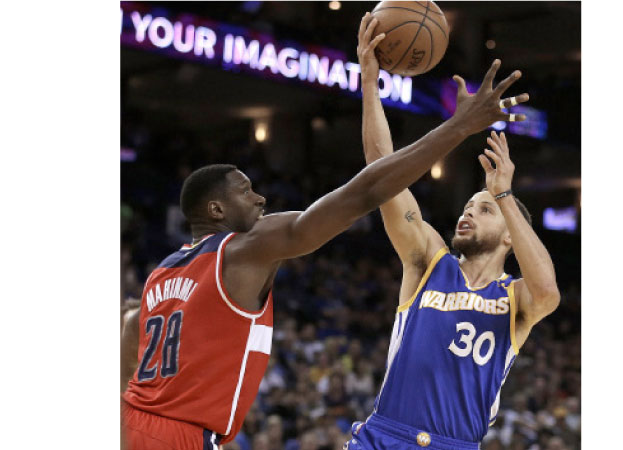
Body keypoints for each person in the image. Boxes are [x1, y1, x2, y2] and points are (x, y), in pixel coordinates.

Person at [121, 13, 530, 450]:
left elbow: (130, 328)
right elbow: (369, 187)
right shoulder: (248, 247)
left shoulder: (162, 273)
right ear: (217, 209)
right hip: (182, 433)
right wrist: (459, 126)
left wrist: (370, 85)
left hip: (129, 420)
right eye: (247, 192)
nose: (261, 200)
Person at [346, 15, 560, 450]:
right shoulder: (428, 261)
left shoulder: (515, 299)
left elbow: (549, 292)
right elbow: (383, 175)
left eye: (482, 210)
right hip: (384, 436)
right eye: (467, 206)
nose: (467, 213)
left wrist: (502, 195)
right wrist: (370, 84)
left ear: (508, 236)